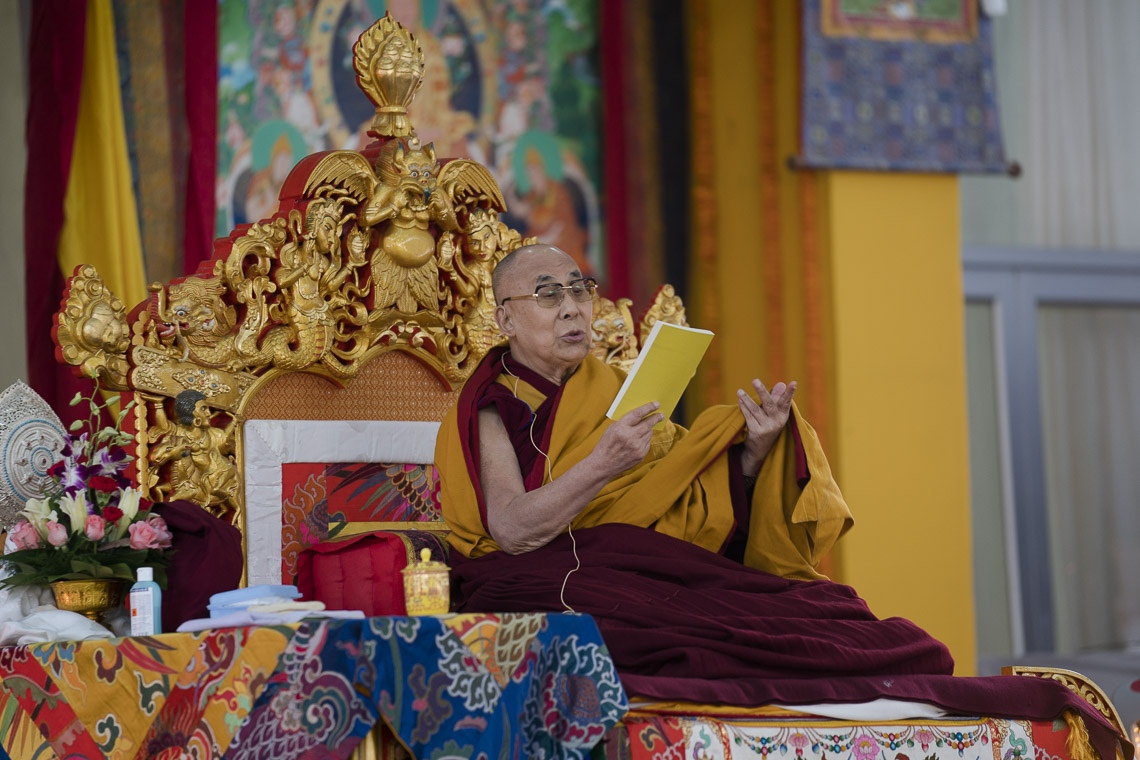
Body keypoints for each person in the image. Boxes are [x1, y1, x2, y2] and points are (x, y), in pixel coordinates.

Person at [435, 244, 1122, 759]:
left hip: (638, 557)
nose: (572, 308)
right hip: (541, 572)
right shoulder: (491, 404)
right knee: (682, 633)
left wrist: (752, 454)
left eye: (580, 290)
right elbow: (513, 529)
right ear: (505, 317)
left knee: (835, 613)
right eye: (548, 294)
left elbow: (680, 498)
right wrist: (605, 461)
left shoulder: (616, 387)